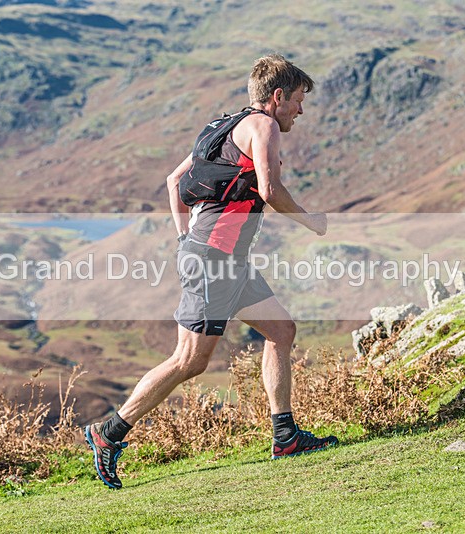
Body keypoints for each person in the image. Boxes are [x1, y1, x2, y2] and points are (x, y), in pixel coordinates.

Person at [85, 54, 338, 489]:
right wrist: (310, 220)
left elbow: (173, 182)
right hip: (214, 261)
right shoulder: (264, 127)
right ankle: (108, 434)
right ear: (277, 97)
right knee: (190, 361)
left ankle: (285, 436)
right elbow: (270, 189)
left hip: (223, 258)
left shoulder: (220, 126)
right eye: (298, 100)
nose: (301, 110)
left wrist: (186, 240)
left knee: (281, 330)